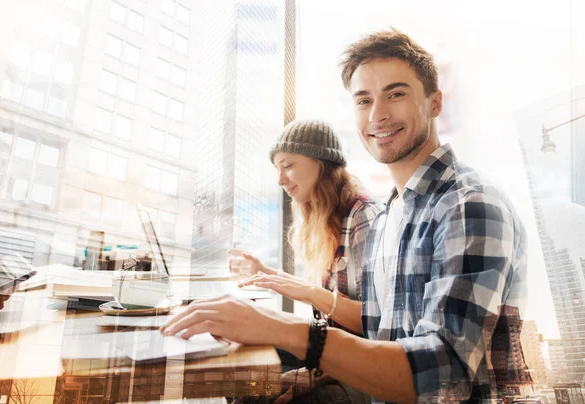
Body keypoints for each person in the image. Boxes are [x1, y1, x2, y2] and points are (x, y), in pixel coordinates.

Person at [162, 28, 528, 404]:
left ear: (435, 102)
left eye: (396, 94)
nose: (378, 114)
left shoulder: (467, 203)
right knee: (252, 389)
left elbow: (444, 374)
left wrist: (280, 326)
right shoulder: (393, 213)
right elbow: (377, 330)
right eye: (363, 100)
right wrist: (313, 376)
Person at [230, 119, 382, 401]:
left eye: (288, 166)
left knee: (258, 395)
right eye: (277, 169)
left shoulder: (364, 218)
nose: (280, 179)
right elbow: (327, 297)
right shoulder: (329, 216)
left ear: (322, 163)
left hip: (362, 365)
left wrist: (316, 374)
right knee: (244, 361)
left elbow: (374, 326)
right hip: (334, 350)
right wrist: (265, 272)